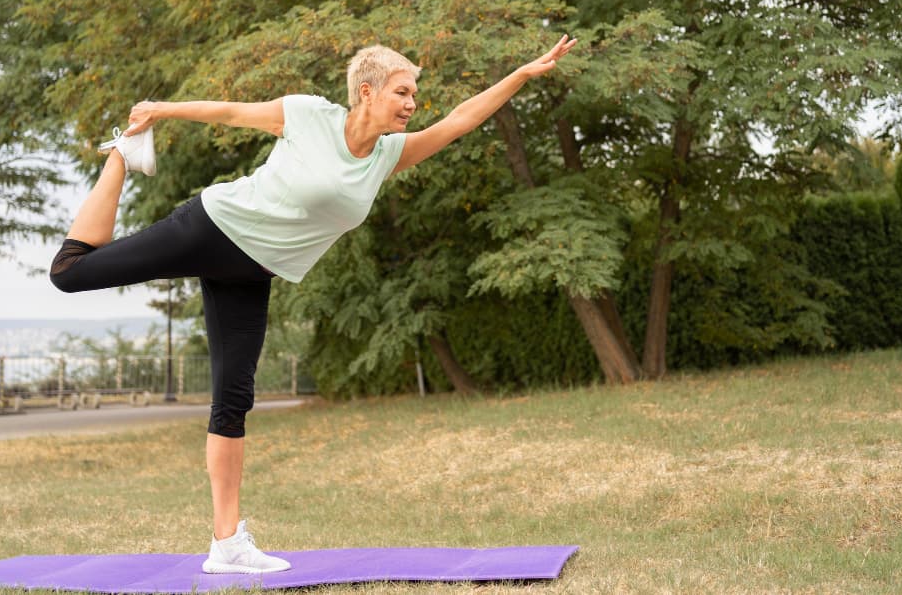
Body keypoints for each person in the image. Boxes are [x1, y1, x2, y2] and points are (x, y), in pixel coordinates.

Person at [48, 35, 577, 574]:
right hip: (212, 226)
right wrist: (161, 111)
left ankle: (226, 544)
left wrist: (520, 75)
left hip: (251, 273)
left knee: (233, 400)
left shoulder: (388, 155)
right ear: (366, 91)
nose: (413, 103)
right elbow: (230, 112)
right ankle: (121, 155)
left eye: (414, 93)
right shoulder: (309, 116)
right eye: (403, 92)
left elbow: (460, 121)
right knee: (70, 274)